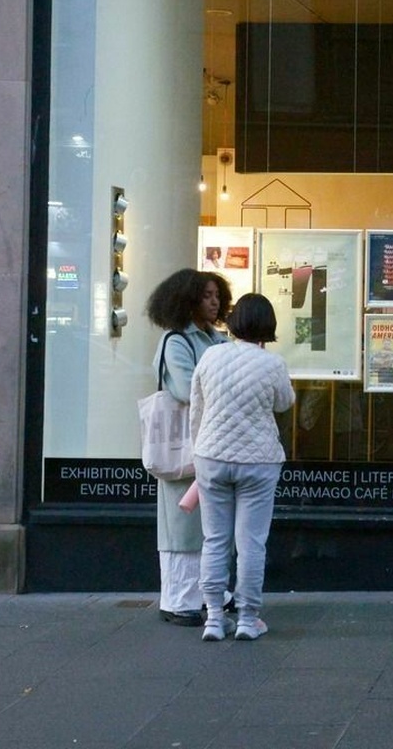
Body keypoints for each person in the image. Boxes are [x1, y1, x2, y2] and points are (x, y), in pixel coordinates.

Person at [191, 292, 295, 642]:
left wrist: (199, 451)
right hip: (258, 460)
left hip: (211, 457)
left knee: (215, 540)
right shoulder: (273, 364)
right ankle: (249, 619)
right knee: (251, 543)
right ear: (268, 326)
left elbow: (197, 408)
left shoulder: (210, 356)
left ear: (233, 322)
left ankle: (214, 618)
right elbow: (284, 403)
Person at [144, 268, 232, 626]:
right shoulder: (177, 341)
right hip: (186, 443)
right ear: (188, 300)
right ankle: (178, 599)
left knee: (209, 520)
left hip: (211, 439)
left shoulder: (216, 339)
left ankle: (205, 593)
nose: (214, 302)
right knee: (181, 523)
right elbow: (183, 390)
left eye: (217, 296)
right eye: (207, 296)